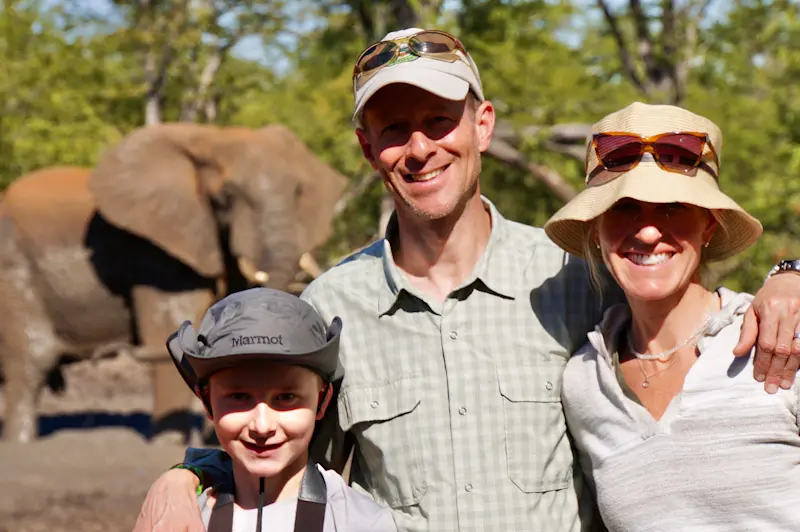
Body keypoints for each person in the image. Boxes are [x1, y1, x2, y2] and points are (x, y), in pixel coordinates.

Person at [133, 28, 800, 532]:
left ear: (482, 125)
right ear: (368, 148)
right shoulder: (329, 307)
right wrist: (186, 473)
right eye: (394, 129)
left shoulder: (575, 279)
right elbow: (276, 438)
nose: (420, 148)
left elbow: (687, 290)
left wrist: (790, 276)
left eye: (438, 121)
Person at [544, 102, 800, 531]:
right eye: (625, 207)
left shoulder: (777, 337)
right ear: (596, 228)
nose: (647, 231)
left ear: (709, 226)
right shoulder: (585, 384)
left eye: (671, 207)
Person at [165, 287, 397, 531]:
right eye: (238, 396)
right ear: (206, 402)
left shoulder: (364, 523)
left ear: (322, 400)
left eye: (286, 397)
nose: (262, 426)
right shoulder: (175, 519)